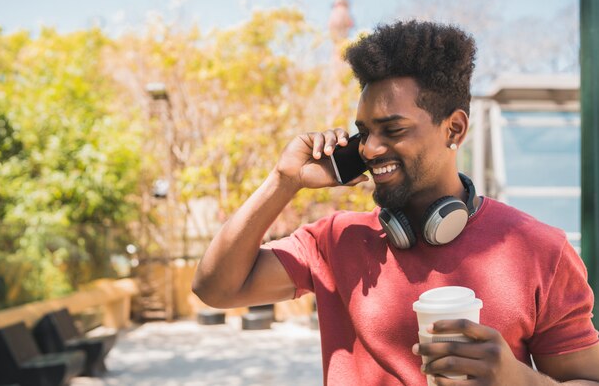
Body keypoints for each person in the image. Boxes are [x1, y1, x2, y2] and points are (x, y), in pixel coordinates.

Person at [192, 20, 599, 385]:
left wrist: (518, 381)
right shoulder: (335, 240)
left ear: (454, 129)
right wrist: (283, 182)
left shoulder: (541, 249)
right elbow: (215, 289)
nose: (369, 149)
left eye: (392, 129)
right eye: (364, 131)